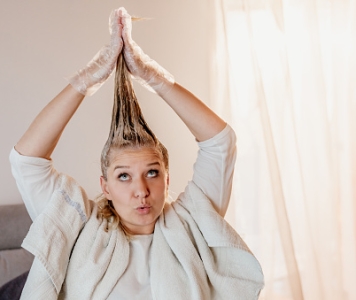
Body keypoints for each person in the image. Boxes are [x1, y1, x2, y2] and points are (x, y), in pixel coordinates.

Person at [10, 7, 264, 300]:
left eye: (152, 173)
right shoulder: (77, 225)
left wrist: (152, 76)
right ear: (105, 186)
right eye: (124, 176)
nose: (141, 191)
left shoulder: (193, 222)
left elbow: (220, 141)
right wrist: (88, 78)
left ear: (167, 180)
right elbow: (27, 160)